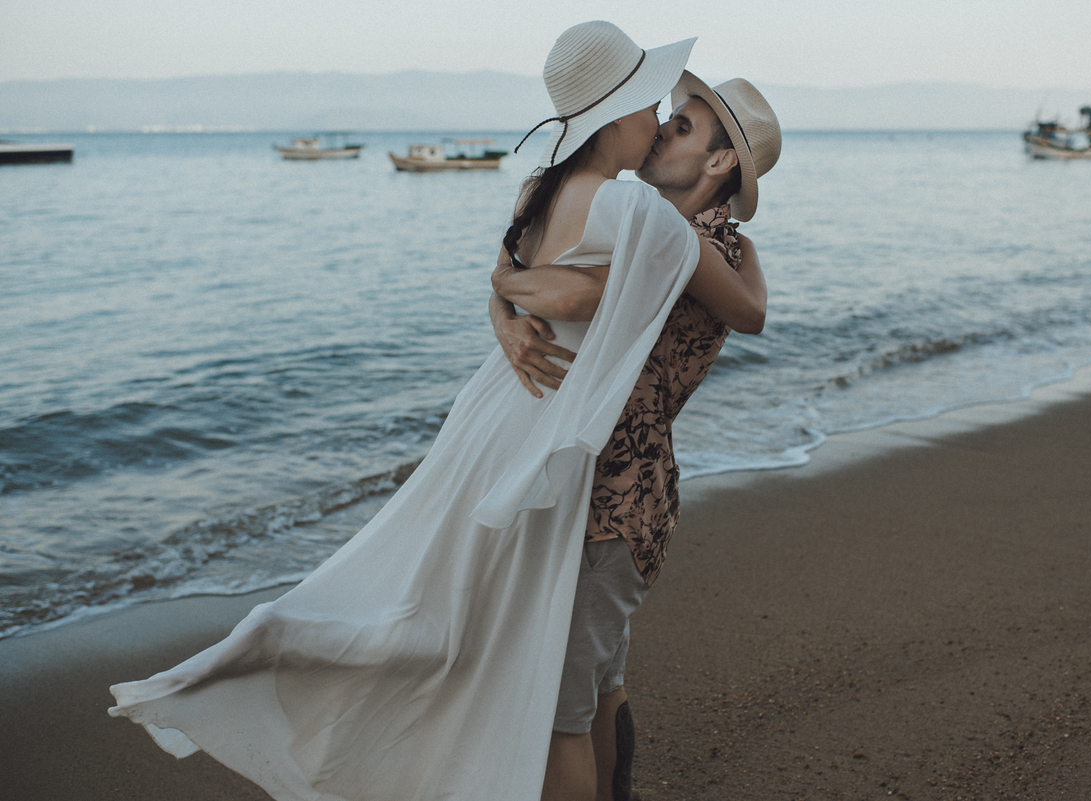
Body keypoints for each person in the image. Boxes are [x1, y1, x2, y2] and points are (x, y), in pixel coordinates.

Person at [107, 20, 754, 801]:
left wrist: (504, 298)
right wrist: (513, 299)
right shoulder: (634, 213)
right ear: (615, 113)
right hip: (541, 437)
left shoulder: (538, 188)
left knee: (437, 607)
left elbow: (527, 275)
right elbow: (601, 298)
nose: (656, 119)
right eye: (651, 105)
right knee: (528, 673)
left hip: (493, 414)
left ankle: (283, 651)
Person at [490, 73, 782, 801]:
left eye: (682, 127)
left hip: (615, 501)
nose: (660, 130)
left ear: (720, 162)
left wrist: (502, 289)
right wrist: (505, 313)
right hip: (623, 494)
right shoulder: (697, 237)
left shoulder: (683, 241)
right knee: (598, 687)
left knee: (560, 708)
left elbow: (569, 293)